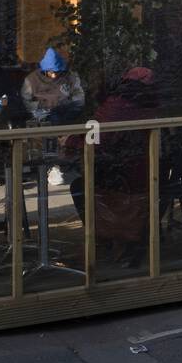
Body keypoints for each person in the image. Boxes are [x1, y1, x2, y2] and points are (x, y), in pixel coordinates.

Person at [65, 67, 159, 268]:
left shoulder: (120, 103)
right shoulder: (150, 102)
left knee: (80, 186)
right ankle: (108, 241)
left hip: (123, 180)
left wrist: (69, 141)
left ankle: (102, 239)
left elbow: (97, 137)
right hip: (146, 174)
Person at [21, 47, 85, 125]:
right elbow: (25, 100)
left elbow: (79, 95)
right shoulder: (31, 80)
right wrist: (38, 107)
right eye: (50, 72)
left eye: (56, 71)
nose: (53, 75)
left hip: (66, 111)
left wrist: (68, 102)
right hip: (44, 114)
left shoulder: (69, 76)